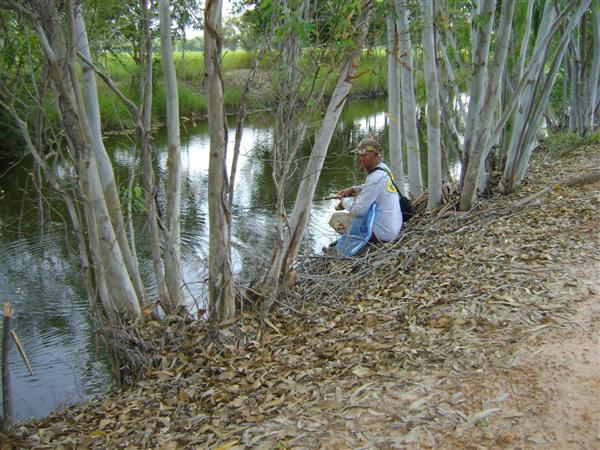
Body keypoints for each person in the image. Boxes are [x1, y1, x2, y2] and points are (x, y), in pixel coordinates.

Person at [329, 138, 402, 245]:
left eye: (364, 155)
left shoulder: (375, 177)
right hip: (393, 226)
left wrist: (343, 201)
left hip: (382, 234)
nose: (360, 158)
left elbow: (358, 209)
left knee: (335, 218)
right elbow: (371, 187)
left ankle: (353, 241)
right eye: (358, 154)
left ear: (376, 154)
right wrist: (354, 189)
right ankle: (353, 236)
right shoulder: (384, 169)